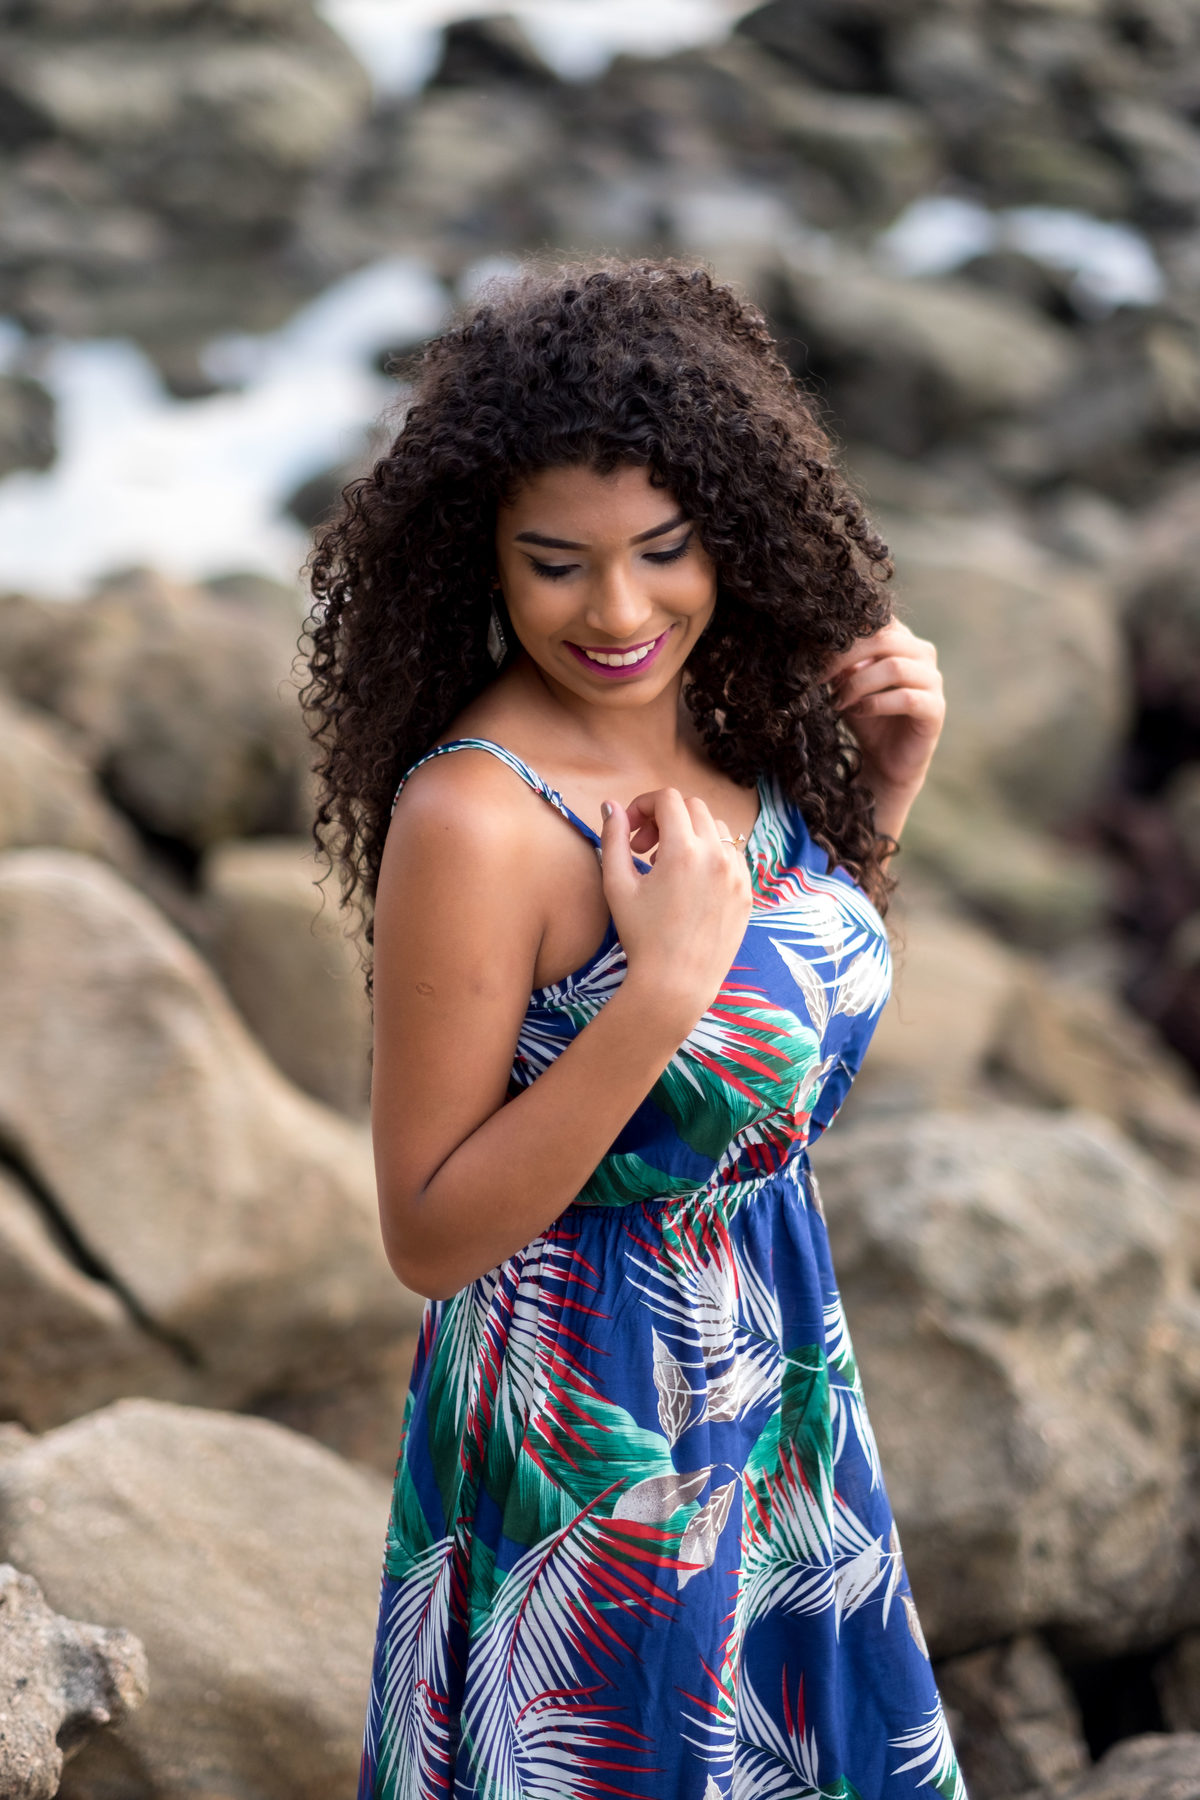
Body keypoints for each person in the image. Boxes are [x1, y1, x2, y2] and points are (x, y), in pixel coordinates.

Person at [303, 258, 959, 1800]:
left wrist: (874, 810)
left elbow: (758, 1084)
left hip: (774, 1367)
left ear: (726, 523)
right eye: (556, 565)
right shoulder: (475, 819)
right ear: (483, 557)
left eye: (663, 551)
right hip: (588, 1436)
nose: (617, 613)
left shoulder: (733, 714)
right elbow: (429, 1230)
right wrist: (655, 991)